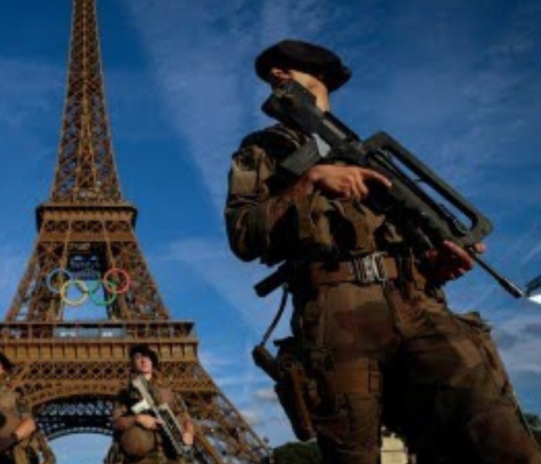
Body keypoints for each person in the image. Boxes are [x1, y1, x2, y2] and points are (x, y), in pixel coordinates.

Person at [225, 38, 541, 464]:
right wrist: (311, 181)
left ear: (321, 78)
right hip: (336, 308)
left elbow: (411, 242)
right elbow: (242, 234)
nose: (274, 77)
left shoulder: (370, 156)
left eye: (285, 68)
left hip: (415, 301)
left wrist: (437, 263)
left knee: (501, 439)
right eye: (270, 73)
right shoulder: (263, 148)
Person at [111, 345, 194, 464]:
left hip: (169, 457)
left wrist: (189, 433)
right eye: (139, 357)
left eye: (147, 357)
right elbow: (116, 423)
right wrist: (137, 419)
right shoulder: (124, 393)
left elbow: (184, 416)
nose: (144, 360)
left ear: (152, 362)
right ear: (132, 363)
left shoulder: (168, 391)